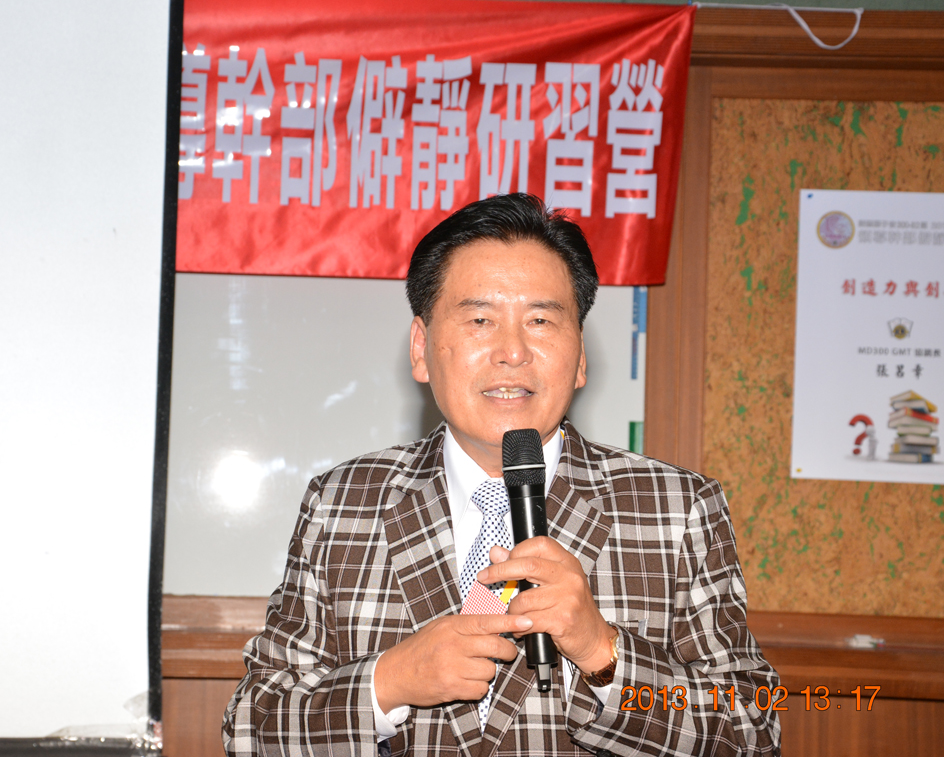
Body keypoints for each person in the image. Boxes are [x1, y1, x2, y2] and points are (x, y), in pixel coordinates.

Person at [223, 193, 782, 757]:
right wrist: (389, 682)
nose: (512, 351)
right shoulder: (344, 501)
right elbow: (252, 728)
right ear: (421, 348)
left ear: (580, 356)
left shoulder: (676, 508)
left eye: (540, 320)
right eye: (480, 320)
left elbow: (754, 732)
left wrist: (602, 653)